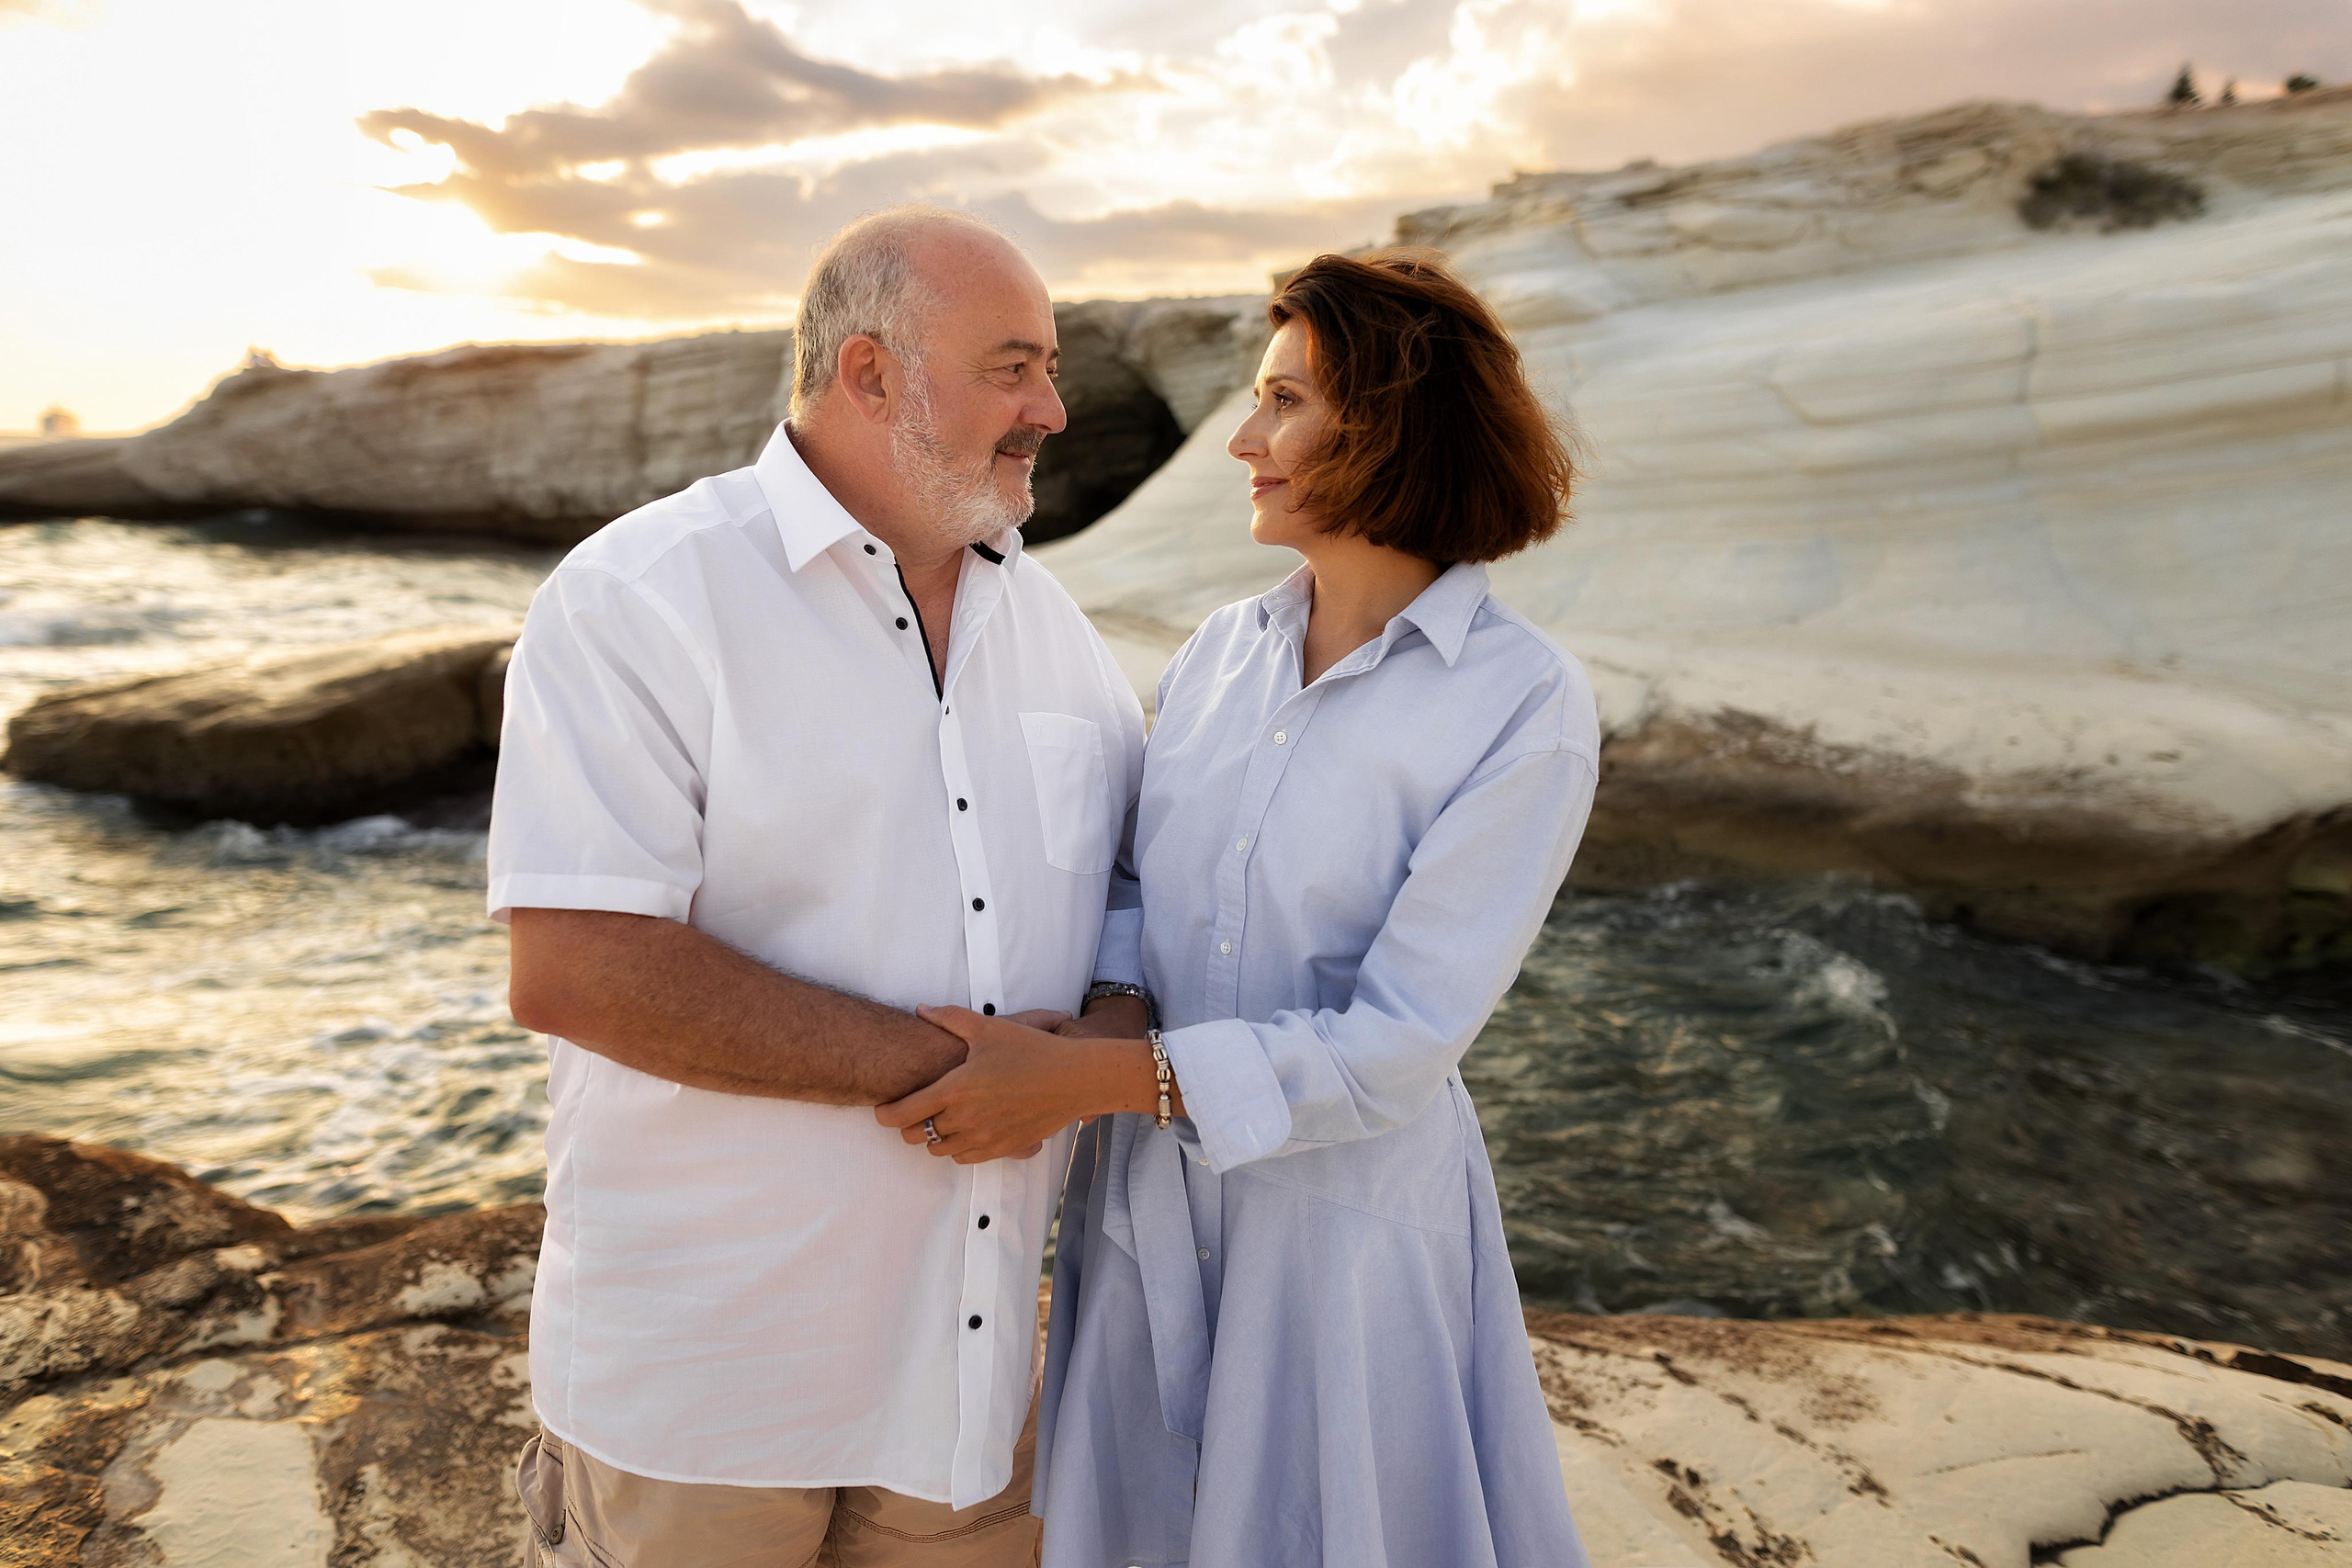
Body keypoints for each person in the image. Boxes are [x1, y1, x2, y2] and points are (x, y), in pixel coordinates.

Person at [879, 248, 1597, 1567]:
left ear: (1392, 426)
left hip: (1343, 1224)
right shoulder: (1219, 653)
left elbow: (1399, 1045)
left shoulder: (1521, 705)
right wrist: (1106, 1015)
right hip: (1145, 1191)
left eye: (1284, 404)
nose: (1245, 442)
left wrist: (1093, 1085)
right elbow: (1138, 883)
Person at [489, 206, 1145, 1566]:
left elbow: (1130, 887)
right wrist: (960, 1073)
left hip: (966, 1398)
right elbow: (581, 969)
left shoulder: (1058, 631)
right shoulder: (640, 598)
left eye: (1050, 368)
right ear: (870, 374)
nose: (1053, 409)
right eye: (1013, 367)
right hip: (705, 1392)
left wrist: (1110, 1031)